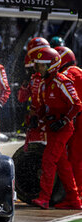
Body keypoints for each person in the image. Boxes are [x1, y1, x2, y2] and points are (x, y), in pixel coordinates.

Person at [31, 47, 82, 209]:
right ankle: (74, 200)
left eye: (42, 65)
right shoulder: (45, 83)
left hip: (63, 128)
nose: (38, 68)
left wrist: (64, 120)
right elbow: (44, 107)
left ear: (52, 65)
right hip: (52, 127)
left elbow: (77, 104)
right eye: (37, 65)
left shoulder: (62, 81)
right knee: (63, 165)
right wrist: (36, 118)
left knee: (48, 160)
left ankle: (44, 198)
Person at [55, 46, 82, 200]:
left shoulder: (67, 75)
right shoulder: (77, 70)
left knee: (75, 157)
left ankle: (76, 195)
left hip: (79, 118)